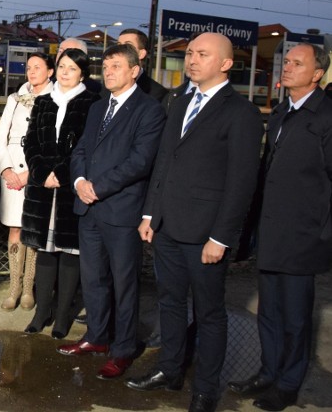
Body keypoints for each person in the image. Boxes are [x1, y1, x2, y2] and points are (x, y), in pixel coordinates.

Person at [127, 32, 264, 412]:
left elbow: (241, 183)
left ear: (225, 63)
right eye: (189, 53)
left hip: (205, 235)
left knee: (209, 314)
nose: (191, 60)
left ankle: (205, 389)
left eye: (202, 54)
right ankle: (170, 371)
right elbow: (163, 164)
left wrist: (221, 237)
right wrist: (150, 213)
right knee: (170, 303)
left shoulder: (242, 113)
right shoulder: (179, 101)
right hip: (167, 227)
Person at [228, 43, 332, 412]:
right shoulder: (283, 110)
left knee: (295, 318)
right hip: (272, 232)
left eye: (296, 63)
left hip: (304, 237)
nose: (286, 68)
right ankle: (268, 372)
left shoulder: (326, 115)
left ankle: (288, 384)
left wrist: (323, 233)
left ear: (317, 73)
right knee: (269, 312)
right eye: (285, 62)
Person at [58, 43, 165, 381]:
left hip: (120, 211)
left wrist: (97, 187)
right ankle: (96, 338)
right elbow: (81, 150)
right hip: (88, 208)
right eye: (105, 66)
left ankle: (122, 350)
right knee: (94, 280)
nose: (108, 72)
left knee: (124, 284)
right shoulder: (98, 107)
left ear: (135, 71)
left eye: (116, 66)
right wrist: (78, 182)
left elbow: (140, 161)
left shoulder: (149, 110)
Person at [20, 48, 100, 338]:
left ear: (82, 74)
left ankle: (63, 315)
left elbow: (88, 146)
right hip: (42, 190)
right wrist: (42, 174)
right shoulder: (42, 101)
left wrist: (63, 174)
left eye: (72, 68)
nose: (65, 72)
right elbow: (30, 143)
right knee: (44, 252)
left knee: (70, 254)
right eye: (62, 66)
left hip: (71, 188)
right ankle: (42, 312)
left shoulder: (91, 103)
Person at [0, 53, 54, 311]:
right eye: (28, 67)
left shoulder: (56, 99)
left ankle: (28, 287)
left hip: (37, 172)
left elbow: (55, 142)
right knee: (15, 229)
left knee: (33, 228)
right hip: (11, 173)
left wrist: (31, 173)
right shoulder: (14, 99)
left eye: (37, 67)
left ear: (50, 71)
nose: (31, 71)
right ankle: (13, 288)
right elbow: (0, 135)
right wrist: (6, 169)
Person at [117, 28, 168, 101]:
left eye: (128, 46)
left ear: (141, 54)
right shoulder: (107, 87)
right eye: (118, 45)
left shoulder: (156, 93)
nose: (120, 50)